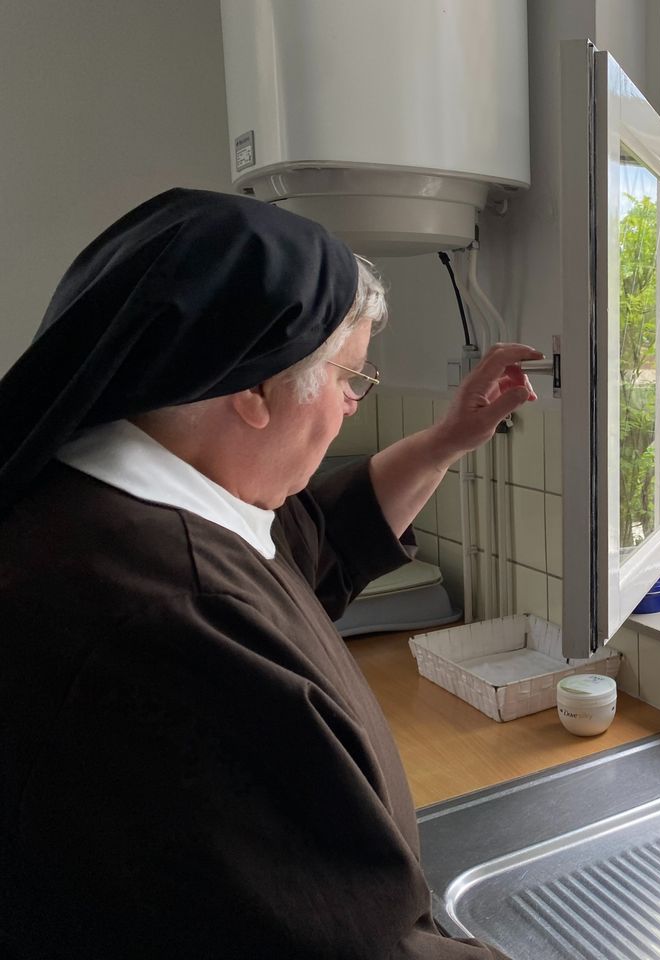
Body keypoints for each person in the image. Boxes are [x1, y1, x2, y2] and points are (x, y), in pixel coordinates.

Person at [0, 188, 540, 958]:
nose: (353, 406)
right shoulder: (172, 625)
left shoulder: (112, 502)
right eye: (352, 379)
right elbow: (349, 942)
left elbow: (315, 538)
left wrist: (450, 437)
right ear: (253, 388)